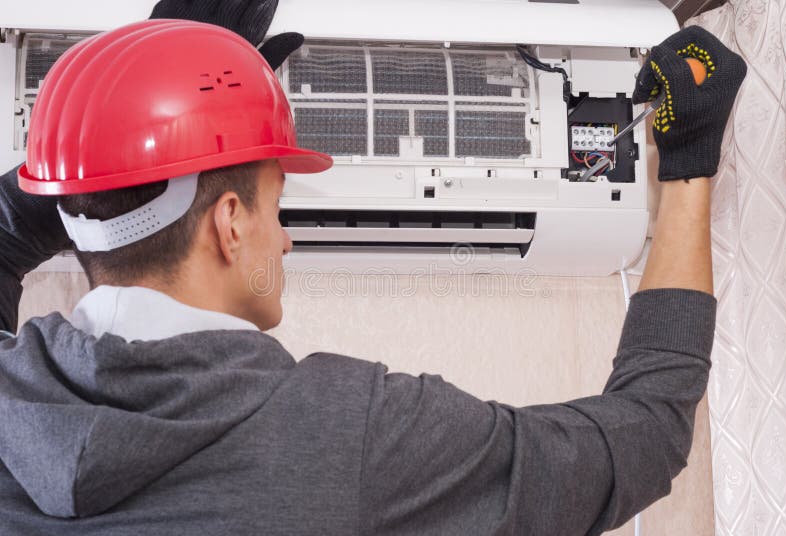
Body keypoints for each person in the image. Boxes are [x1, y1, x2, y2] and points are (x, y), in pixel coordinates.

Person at [0, 3, 746, 533]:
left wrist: (122, 125)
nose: (285, 242)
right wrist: (688, 161)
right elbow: (640, 439)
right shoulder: (350, 440)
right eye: (277, 207)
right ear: (230, 224)